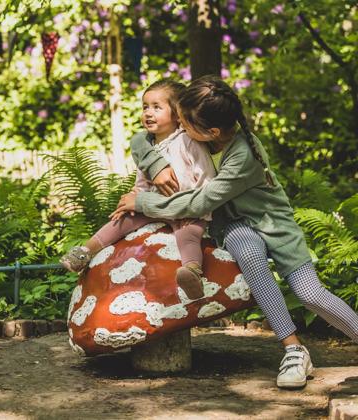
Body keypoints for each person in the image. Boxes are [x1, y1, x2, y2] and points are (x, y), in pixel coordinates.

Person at [111, 75, 358, 389]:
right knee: (249, 255)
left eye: (185, 123)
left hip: (275, 226)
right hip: (235, 225)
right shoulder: (197, 137)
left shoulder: (243, 154)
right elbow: (140, 137)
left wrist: (143, 201)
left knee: (310, 294)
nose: (180, 127)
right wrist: (155, 165)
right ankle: (293, 349)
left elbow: (202, 200)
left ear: (211, 131)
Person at [60, 78, 216, 300]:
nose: (148, 113)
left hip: (186, 210)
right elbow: (142, 181)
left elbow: (206, 179)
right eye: (145, 107)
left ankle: (191, 272)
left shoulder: (189, 142)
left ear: (177, 113)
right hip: (153, 205)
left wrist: (198, 212)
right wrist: (133, 198)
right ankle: (85, 251)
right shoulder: (148, 147)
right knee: (121, 220)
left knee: (188, 235)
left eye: (156, 107)